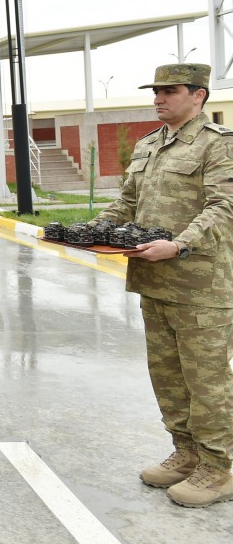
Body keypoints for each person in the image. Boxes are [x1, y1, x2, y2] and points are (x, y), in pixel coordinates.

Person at [91, 63, 233, 509]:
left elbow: (224, 206)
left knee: (206, 380)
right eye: (156, 91)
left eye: (169, 91)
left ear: (198, 95)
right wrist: (90, 230)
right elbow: (128, 202)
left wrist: (179, 245)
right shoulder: (150, 144)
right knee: (169, 377)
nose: (158, 98)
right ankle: (187, 452)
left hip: (201, 287)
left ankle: (219, 466)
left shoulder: (218, 145)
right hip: (155, 283)